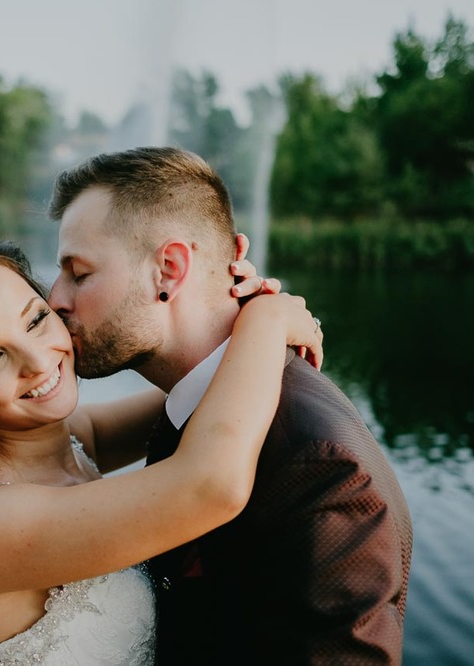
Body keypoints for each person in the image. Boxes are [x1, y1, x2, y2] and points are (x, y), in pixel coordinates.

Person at [0, 217, 322, 664]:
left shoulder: (75, 440)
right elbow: (209, 487)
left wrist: (223, 306)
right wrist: (265, 323)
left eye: (36, 320)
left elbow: (202, 388)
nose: (38, 362)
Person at [47, 146, 413, 665]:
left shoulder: (320, 466)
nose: (54, 298)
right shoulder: (194, 399)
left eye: (78, 273)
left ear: (168, 271)